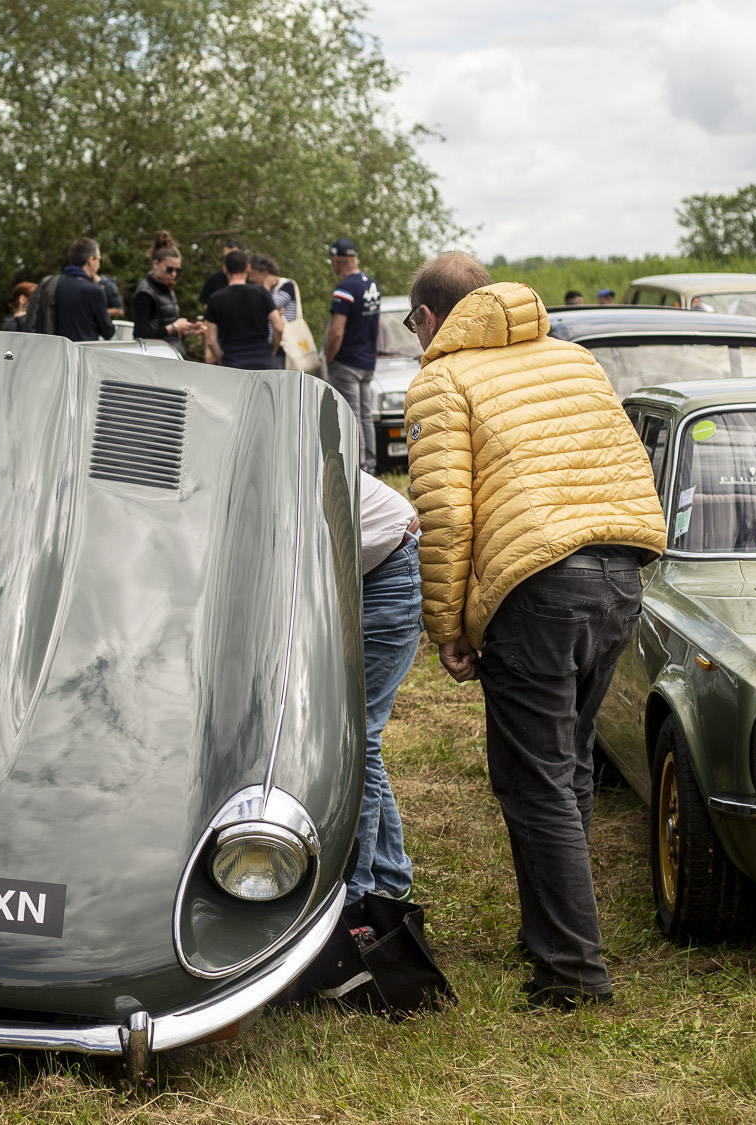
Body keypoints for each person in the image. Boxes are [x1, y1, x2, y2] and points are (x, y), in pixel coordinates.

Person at [402, 252, 665, 1010]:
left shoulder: (443, 380)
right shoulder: (575, 361)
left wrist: (447, 624)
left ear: (427, 317)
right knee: (570, 761)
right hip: (619, 574)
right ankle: (550, 935)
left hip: (536, 587)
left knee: (535, 777)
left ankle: (574, 973)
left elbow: (447, 516)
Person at [351, 470, 422, 905]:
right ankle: (390, 878)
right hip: (360, 570)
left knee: (355, 740)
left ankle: (354, 898)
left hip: (387, 570)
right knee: (361, 738)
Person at [322, 237, 381, 471]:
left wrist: (328, 357)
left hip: (347, 363)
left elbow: (337, 331)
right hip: (367, 361)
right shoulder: (371, 284)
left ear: (337, 259)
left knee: (351, 415)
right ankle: (371, 466)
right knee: (366, 415)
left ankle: (360, 470)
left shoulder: (345, 288)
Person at [203, 248, 284, 369]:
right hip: (263, 361)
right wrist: (271, 351)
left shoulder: (215, 299)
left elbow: (211, 341)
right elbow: (279, 327)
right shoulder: (261, 292)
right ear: (248, 268)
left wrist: (221, 360)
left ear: (225, 270)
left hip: (233, 363)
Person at [131, 231, 200, 347]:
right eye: (169, 269)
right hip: (157, 357)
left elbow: (166, 330)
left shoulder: (167, 287)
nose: (173, 274)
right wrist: (173, 327)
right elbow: (140, 335)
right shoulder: (145, 293)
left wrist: (188, 330)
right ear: (156, 264)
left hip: (171, 353)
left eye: (177, 270)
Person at [52, 238, 115, 343]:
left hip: (55, 353)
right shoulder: (94, 291)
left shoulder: (54, 283)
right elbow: (108, 331)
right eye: (99, 259)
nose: (99, 264)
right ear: (91, 260)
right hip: (82, 355)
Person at [248, 253, 300, 348]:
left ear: (264, 271)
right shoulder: (259, 290)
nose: (250, 279)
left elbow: (262, 308)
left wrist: (266, 287)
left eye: (252, 274)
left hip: (283, 346)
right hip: (264, 346)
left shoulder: (286, 286)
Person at [198, 238, 244, 307]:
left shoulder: (252, 279)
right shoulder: (213, 279)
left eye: (233, 257)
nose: (229, 260)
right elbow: (207, 306)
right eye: (226, 257)